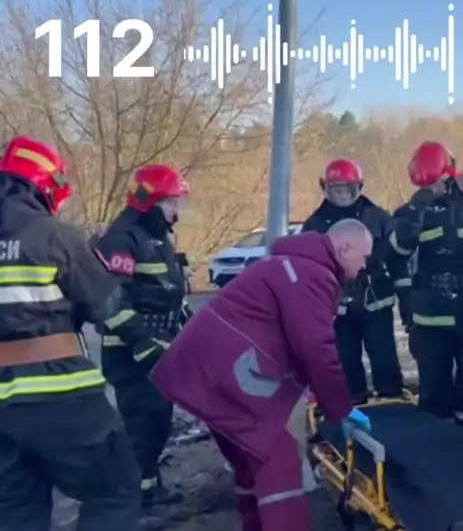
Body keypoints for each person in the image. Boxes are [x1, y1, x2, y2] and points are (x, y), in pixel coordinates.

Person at [149, 220, 373, 531]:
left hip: (207, 372)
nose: (364, 267)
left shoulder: (291, 265)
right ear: (345, 248)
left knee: (248, 462)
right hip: (224, 378)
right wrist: (342, 409)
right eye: (364, 257)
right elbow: (315, 348)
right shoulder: (311, 274)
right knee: (278, 463)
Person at [0, 136, 153, 530]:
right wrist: (148, 345)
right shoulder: (53, 235)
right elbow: (107, 307)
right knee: (114, 490)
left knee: (17, 512)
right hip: (58, 398)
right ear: (46, 185)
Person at [389, 141, 463, 435]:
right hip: (429, 319)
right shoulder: (411, 211)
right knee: (433, 388)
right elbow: (395, 255)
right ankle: (438, 447)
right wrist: (419, 207)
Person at [96, 163, 190, 506]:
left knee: (156, 422)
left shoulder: (154, 235)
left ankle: (149, 488)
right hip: (130, 352)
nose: (176, 213)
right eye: (172, 204)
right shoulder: (122, 238)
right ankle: (133, 499)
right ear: (149, 201)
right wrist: (141, 340)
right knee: (141, 424)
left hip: (155, 348)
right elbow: (109, 300)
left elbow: (160, 289)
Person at [302, 159, 406, 403]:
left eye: (347, 190)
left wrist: (407, 298)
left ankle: (392, 401)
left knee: (384, 356)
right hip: (337, 305)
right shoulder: (314, 224)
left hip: (375, 299)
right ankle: (353, 405)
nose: (341, 196)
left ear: (358, 187)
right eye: (336, 190)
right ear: (325, 189)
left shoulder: (377, 217)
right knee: (345, 359)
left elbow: (397, 260)